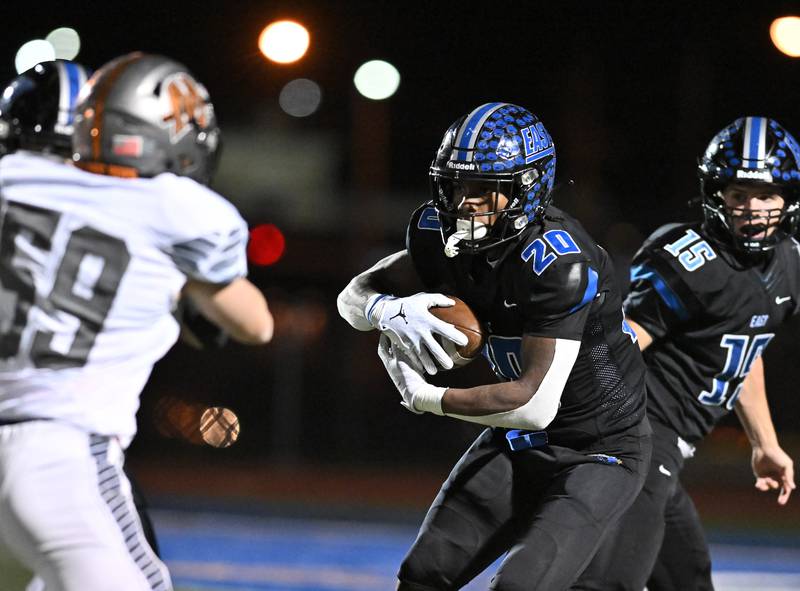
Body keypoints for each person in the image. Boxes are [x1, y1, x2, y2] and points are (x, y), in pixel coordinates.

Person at [338, 102, 652, 591]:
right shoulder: (433, 232)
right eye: (457, 185)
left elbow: (534, 405)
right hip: (516, 440)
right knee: (424, 575)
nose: (466, 202)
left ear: (527, 188)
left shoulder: (557, 261)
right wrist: (389, 311)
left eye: (485, 189)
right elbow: (352, 297)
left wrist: (426, 398)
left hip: (597, 451)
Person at [0, 52, 273, 591]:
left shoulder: (12, 178)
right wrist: (178, 284)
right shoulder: (178, 211)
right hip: (60, 454)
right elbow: (255, 325)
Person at [573, 116, 799, 591]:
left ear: (788, 198)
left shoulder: (788, 264)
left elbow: (742, 350)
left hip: (667, 451)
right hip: (639, 438)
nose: (753, 209)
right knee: (611, 581)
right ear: (716, 195)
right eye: (739, 195)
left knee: (688, 579)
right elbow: (623, 343)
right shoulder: (691, 258)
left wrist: (764, 443)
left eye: (766, 195)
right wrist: (606, 430)